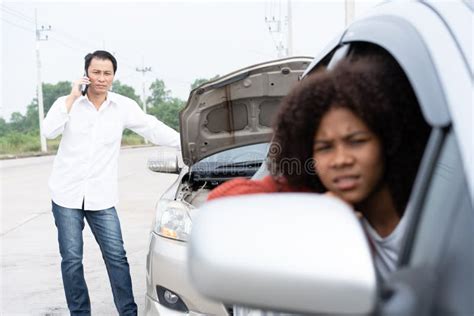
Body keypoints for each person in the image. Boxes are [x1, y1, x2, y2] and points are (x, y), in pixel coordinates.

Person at [208, 47, 430, 281]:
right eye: (325, 147)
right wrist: (316, 215)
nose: (341, 160)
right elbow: (220, 211)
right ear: (307, 154)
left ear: (387, 141)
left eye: (356, 141)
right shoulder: (314, 197)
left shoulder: (432, 218)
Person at [42, 50, 180, 316]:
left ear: (114, 76)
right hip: (66, 195)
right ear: (86, 74)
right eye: (96, 72)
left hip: (101, 197)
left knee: (117, 257)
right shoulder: (68, 104)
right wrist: (72, 96)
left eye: (107, 73)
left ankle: (128, 312)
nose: (101, 79)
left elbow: (152, 127)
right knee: (72, 261)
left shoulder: (122, 106)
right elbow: (49, 131)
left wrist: (185, 141)